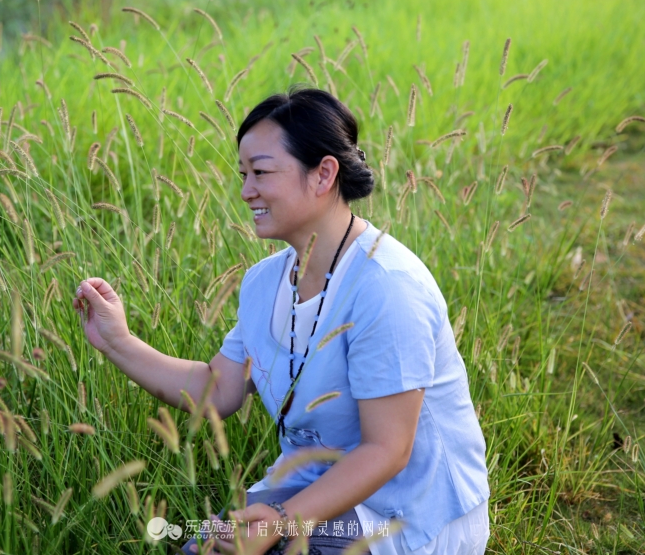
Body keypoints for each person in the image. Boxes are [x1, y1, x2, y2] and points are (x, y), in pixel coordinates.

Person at [73, 87, 490, 555]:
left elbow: (388, 450)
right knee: (203, 550)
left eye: (262, 172)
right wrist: (118, 341)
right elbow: (218, 389)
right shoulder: (263, 283)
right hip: (311, 493)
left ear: (323, 174)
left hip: (410, 512)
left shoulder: (387, 287)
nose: (246, 190)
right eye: (243, 174)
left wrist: (280, 522)